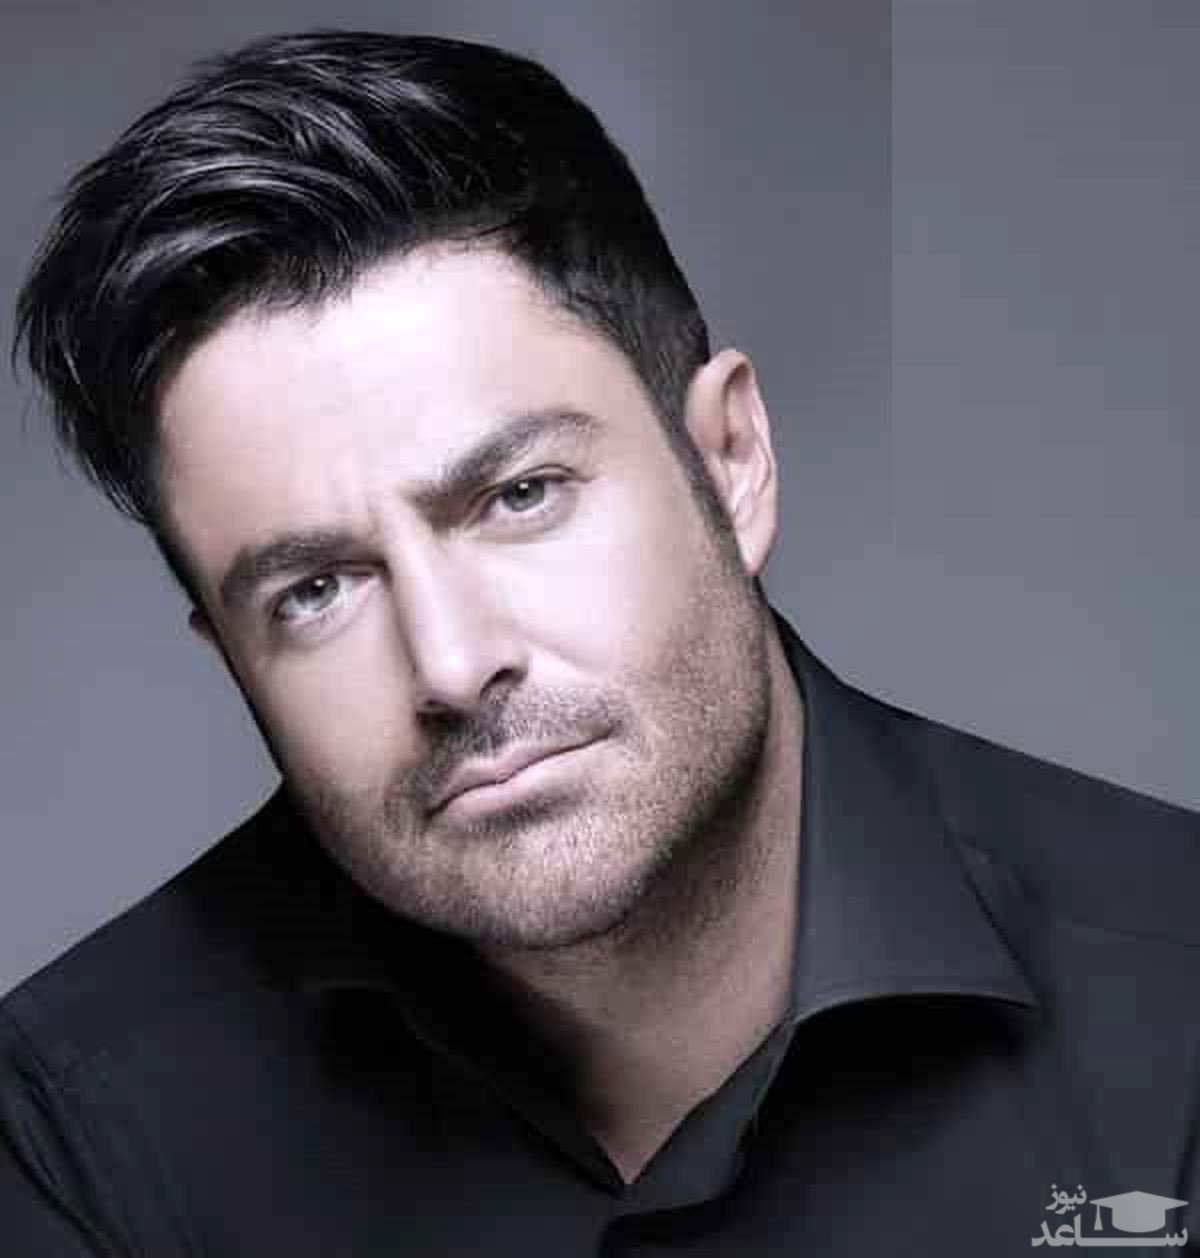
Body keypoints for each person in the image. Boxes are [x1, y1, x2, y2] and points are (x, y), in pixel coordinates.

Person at [2, 29, 1198, 1257]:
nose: (451, 664)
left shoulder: (1173, 995)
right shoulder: (75, 1133)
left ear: (731, 460)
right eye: (316, 590)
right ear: (230, 657)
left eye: (520, 496)